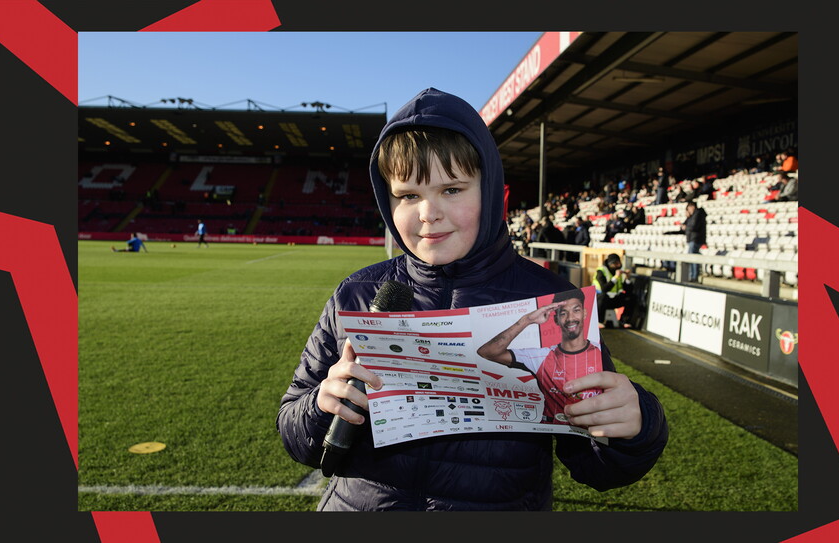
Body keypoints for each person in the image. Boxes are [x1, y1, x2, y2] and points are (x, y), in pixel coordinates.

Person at [277, 88, 668, 511]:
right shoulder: (356, 294)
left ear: (490, 189)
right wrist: (321, 405)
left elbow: (596, 466)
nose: (428, 212)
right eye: (408, 195)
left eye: (452, 190)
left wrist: (637, 425)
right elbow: (294, 430)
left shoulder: (551, 303)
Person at [476, 289, 605, 423]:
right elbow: (487, 351)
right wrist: (527, 320)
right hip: (559, 437)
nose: (570, 318)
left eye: (576, 310)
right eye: (563, 313)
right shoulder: (540, 357)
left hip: (597, 432)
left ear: (584, 313)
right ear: (556, 319)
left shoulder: (600, 351)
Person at [592, 253, 636, 328]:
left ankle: (624, 320)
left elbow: (629, 291)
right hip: (599, 300)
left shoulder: (621, 272)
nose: (617, 266)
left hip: (614, 299)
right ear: (610, 264)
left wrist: (628, 279)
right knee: (603, 296)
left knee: (632, 297)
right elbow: (604, 289)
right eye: (614, 264)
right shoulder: (601, 271)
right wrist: (615, 277)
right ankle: (599, 321)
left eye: (618, 263)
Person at [679, 201, 707, 282]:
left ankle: (693, 276)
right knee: (692, 256)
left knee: (692, 257)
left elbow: (693, 226)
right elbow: (685, 226)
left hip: (696, 239)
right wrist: (687, 218)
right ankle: (692, 275)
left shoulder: (698, 214)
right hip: (692, 239)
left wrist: (686, 226)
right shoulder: (692, 216)